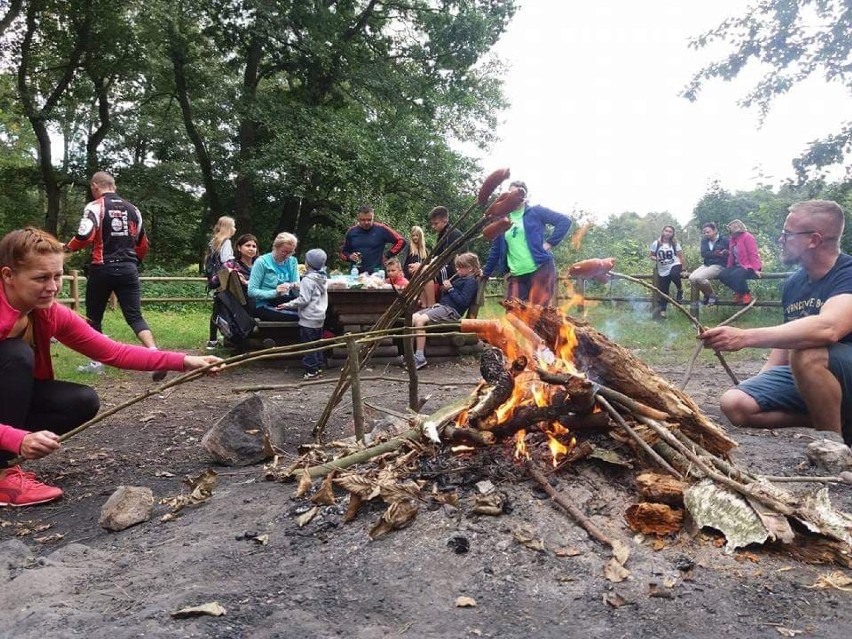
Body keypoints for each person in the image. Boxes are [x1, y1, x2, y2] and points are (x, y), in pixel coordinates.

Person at [0, 227, 222, 507]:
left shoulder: (46, 312)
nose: (53, 287)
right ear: (8, 275)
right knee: (16, 355)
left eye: (57, 276)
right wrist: (15, 438)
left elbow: (112, 352)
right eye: (41, 278)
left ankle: (6, 464)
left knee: (80, 401)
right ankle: (3, 475)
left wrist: (184, 361)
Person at [700, 200, 852, 449]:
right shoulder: (795, 283)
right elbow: (787, 338)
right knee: (736, 403)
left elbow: (828, 328)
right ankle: (838, 418)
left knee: (808, 351)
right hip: (817, 378)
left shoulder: (847, 273)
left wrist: (745, 337)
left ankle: (833, 448)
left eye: (787, 234)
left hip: (838, 370)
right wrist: (762, 385)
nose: (780, 239)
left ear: (814, 240)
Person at [65, 171, 160, 373]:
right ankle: (155, 355)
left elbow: (84, 235)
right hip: (129, 268)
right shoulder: (134, 209)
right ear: (113, 186)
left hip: (102, 267)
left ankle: (96, 363)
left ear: (94, 186)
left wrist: (67, 248)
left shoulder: (95, 206)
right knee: (135, 316)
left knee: (94, 317)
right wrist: (135, 263)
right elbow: (143, 244)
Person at [481, 181, 572, 306]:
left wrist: (550, 243)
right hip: (517, 275)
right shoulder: (502, 220)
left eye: (516, 193)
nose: (513, 197)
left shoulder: (536, 211)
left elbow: (564, 221)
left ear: (524, 196)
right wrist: (485, 273)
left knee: (536, 316)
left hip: (541, 270)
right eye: (510, 194)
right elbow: (496, 249)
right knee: (512, 313)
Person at [410, 252, 481, 370]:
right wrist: (446, 288)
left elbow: (463, 302)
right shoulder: (460, 278)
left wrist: (451, 289)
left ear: (471, 268)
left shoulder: (470, 282)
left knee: (420, 321)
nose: (457, 269)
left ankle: (420, 357)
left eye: (461, 267)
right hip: (442, 307)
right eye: (457, 266)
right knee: (412, 318)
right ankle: (410, 355)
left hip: (451, 311)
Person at [276, 249, 329, 380]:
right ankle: (318, 367)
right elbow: (311, 288)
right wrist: (295, 285)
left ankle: (311, 371)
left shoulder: (307, 280)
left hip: (309, 318)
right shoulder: (321, 277)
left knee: (308, 345)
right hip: (319, 317)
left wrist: (288, 305)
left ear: (308, 263)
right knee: (317, 343)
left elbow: (304, 300)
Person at [248, 232, 300, 322]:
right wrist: (275, 292)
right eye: (284, 252)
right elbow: (251, 291)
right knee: (303, 317)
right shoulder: (262, 262)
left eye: (290, 252)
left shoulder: (292, 261)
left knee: (314, 312)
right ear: (275, 247)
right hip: (264, 304)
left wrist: (296, 286)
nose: (287, 256)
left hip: (286, 301)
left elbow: (296, 286)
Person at [340, 205, 405, 274]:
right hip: (356, 274)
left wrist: (388, 255)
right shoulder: (352, 231)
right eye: (363, 220)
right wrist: (350, 256)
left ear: (373, 218)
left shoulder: (381, 229)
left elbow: (401, 241)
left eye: (369, 219)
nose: (366, 222)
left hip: (376, 274)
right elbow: (343, 253)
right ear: (358, 218)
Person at [205, 216, 237, 349]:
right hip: (223, 279)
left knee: (217, 308)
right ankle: (227, 335)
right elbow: (226, 261)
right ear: (228, 227)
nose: (235, 229)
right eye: (233, 226)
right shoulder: (226, 242)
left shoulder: (214, 241)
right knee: (223, 308)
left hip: (214, 278)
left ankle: (212, 340)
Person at [718, 219, 762, 305]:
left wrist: (756, 269)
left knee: (736, 275)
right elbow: (731, 255)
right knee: (722, 275)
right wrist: (729, 267)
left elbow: (753, 253)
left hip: (748, 265)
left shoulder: (748, 237)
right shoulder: (732, 239)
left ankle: (746, 293)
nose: (730, 232)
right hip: (737, 265)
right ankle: (739, 291)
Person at [649, 224, 686, 318]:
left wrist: (683, 269)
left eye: (670, 231)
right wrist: (656, 258)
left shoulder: (674, 244)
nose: (668, 233)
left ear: (673, 234)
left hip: (674, 264)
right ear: (663, 232)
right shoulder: (656, 243)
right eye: (666, 231)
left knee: (674, 274)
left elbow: (680, 256)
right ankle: (663, 311)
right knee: (664, 290)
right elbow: (651, 255)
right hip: (662, 268)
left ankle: (680, 289)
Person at [689, 222, 729, 306]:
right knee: (692, 278)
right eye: (705, 232)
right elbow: (704, 253)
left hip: (719, 264)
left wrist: (723, 253)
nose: (706, 234)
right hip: (707, 264)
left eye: (708, 232)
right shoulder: (704, 241)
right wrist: (716, 254)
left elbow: (730, 252)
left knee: (699, 278)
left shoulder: (724, 240)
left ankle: (711, 296)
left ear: (715, 231)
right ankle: (709, 295)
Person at [405, 225, 432, 306]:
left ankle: (426, 304)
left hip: (423, 276)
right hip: (411, 276)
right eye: (413, 235)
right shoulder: (409, 248)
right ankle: (421, 303)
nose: (415, 237)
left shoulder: (425, 251)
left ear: (421, 236)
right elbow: (405, 264)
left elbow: (428, 265)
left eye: (417, 235)